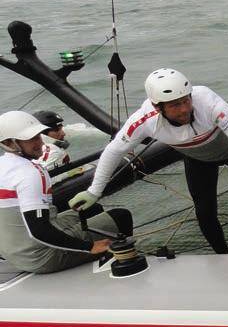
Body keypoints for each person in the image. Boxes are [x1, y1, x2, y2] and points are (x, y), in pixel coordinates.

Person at [69, 68, 228, 254]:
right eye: (175, 105)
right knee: (204, 213)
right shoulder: (144, 120)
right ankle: (223, 257)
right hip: (198, 159)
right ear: (157, 107)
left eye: (186, 100)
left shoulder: (207, 100)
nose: (184, 109)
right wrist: (94, 191)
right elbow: (114, 151)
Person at [0, 110, 133, 273]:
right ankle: (125, 265)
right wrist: (89, 247)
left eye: (38, 136)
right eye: (32, 138)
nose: (40, 142)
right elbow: (39, 231)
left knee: (92, 209)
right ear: (9, 143)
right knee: (121, 216)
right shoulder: (30, 173)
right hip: (42, 258)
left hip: (14, 255)